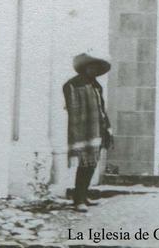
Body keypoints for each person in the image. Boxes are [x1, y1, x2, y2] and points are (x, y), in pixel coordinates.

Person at [63, 51, 113, 212]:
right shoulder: (74, 84)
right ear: (85, 68)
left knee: (92, 164)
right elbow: (69, 96)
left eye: (96, 69)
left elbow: (101, 107)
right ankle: (78, 200)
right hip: (84, 129)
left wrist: (107, 127)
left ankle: (84, 195)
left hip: (97, 128)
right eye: (91, 67)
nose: (94, 71)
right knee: (84, 163)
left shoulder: (96, 85)